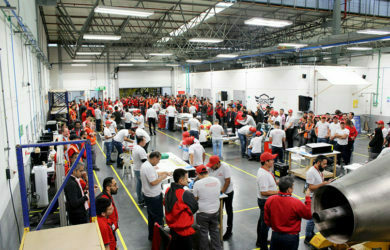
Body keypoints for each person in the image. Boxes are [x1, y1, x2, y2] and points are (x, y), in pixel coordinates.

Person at [264, 176, 312, 250]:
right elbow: (308, 215)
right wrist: (308, 198)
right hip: (291, 238)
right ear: (288, 189)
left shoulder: (270, 200)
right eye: (292, 187)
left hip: (275, 235)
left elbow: (267, 220)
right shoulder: (296, 203)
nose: (293, 189)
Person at [164, 169, 198, 250]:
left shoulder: (168, 190)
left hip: (173, 229)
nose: (188, 180)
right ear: (181, 180)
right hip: (184, 232)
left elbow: (165, 203)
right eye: (186, 178)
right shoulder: (185, 194)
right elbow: (194, 208)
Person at [140, 151, 169, 241]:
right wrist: (163, 177)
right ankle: (159, 238)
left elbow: (153, 175)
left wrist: (162, 173)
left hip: (149, 195)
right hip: (153, 197)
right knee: (158, 218)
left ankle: (152, 236)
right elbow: (153, 182)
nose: (159, 161)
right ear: (154, 158)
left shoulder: (147, 165)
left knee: (152, 217)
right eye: (159, 159)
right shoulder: (148, 167)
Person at [193, 165, 222, 250]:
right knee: (215, 232)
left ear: (198, 174)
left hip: (203, 213)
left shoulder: (197, 183)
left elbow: (195, 198)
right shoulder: (217, 180)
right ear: (207, 172)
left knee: (203, 234)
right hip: (215, 212)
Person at [304, 155, 332, 243]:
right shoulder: (311, 172)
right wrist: (323, 184)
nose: (325, 166)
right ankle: (308, 237)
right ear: (318, 162)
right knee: (311, 219)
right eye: (324, 164)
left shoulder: (319, 171)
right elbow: (311, 187)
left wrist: (327, 182)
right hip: (312, 197)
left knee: (314, 217)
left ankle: (311, 233)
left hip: (317, 196)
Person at [206, 156, 234, 240]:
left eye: (212, 165)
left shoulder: (225, 167)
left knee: (229, 211)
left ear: (218, 163)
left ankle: (229, 231)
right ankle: (218, 229)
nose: (211, 166)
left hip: (227, 192)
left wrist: (222, 192)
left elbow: (227, 181)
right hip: (217, 193)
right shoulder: (210, 168)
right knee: (218, 211)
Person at [256, 152, 278, 249]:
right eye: (272, 160)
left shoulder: (266, 171)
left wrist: (277, 182)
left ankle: (260, 240)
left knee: (262, 221)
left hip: (266, 201)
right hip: (265, 202)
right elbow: (263, 192)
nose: (273, 161)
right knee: (265, 224)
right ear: (266, 162)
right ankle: (263, 245)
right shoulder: (263, 175)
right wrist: (276, 192)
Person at [97, 177, 119, 242]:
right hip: (109, 233)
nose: (117, 187)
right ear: (108, 188)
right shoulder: (103, 200)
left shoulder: (108, 196)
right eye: (114, 185)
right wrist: (111, 227)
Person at [132, 136, 148, 206]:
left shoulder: (136, 147)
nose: (145, 142)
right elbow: (144, 161)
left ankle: (140, 198)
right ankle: (141, 200)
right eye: (144, 141)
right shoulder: (141, 149)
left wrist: (147, 155)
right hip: (140, 169)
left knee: (139, 184)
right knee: (143, 185)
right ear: (141, 142)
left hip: (136, 168)